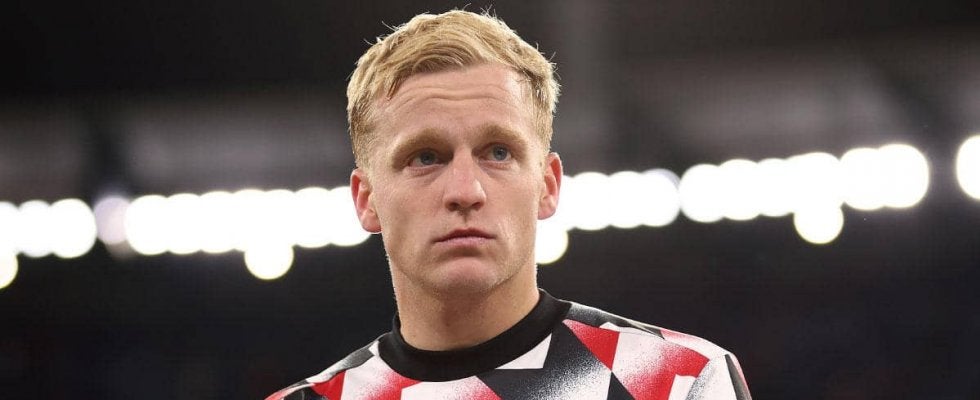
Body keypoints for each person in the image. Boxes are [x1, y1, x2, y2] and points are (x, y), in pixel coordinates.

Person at [267, 9, 751, 400]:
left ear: (548, 185)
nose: (465, 191)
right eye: (425, 157)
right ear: (366, 199)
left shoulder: (677, 381)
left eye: (498, 152)